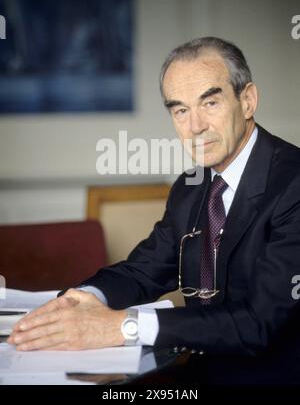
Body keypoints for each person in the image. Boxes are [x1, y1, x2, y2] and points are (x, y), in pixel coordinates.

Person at [8, 37, 300, 360]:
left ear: (247, 100)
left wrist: (123, 326)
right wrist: (79, 301)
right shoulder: (190, 188)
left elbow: (258, 323)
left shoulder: (293, 183)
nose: (195, 127)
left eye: (210, 103)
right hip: (196, 375)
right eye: (180, 110)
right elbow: (142, 271)